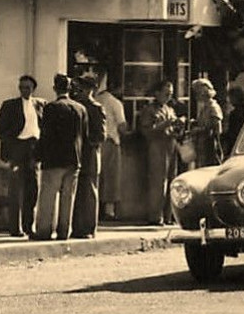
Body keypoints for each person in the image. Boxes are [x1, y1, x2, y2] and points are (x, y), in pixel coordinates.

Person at [33, 74, 86, 241]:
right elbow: (84, 135)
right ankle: (64, 231)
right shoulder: (80, 108)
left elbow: (45, 135)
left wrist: (38, 155)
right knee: (68, 197)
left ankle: (44, 230)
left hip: (54, 158)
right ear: (70, 89)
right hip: (74, 158)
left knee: (48, 197)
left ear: (55, 88)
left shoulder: (51, 108)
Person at [0, 75, 44, 237]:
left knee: (33, 189)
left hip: (34, 149)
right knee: (16, 189)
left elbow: (45, 128)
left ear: (33, 89)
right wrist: (12, 144)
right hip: (17, 148)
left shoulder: (41, 104)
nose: (25, 90)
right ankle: (15, 228)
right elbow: (0, 131)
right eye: (22, 87)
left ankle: (30, 225)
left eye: (28, 87)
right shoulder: (9, 105)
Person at [136, 80, 180, 224]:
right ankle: (155, 216)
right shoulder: (149, 110)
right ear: (157, 93)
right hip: (156, 146)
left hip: (170, 145)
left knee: (172, 180)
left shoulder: (170, 109)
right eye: (166, 93)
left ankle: (169, 216)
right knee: (158, 182)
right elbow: (146, 131)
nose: (168, 97)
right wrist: (165, 124)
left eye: (171, 94)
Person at [70, 75, 107, 238]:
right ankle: (77, 227)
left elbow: (101, 135)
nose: (82, 91)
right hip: (77, 153)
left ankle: (88, 228)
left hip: (90, 154)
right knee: (77, 191)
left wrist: (86, 141)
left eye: (85, 88)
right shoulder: (77, 106)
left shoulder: (96, 108)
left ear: (93, 89)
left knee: (89, 191)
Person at [91, 69, 127, 224]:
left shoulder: (95, 99)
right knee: (111, 176)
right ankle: (109, 211)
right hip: (111, 141)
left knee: (97, 175)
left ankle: (95, 209)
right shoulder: (115, 102)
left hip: (96, 142)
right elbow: (123, 126)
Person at [185, 78, 223, 170]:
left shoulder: (213, 107)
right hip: (202, 143)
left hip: (209, 143)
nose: (196, 96)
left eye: (197, 93)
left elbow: (216, 126)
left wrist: (199, 129)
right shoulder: (204, 107)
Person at [221, 85, 244, 153]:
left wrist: (223, 137)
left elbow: (233, 131)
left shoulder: (235, 113)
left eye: (231, 97)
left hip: (238, 143)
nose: (229, 100)